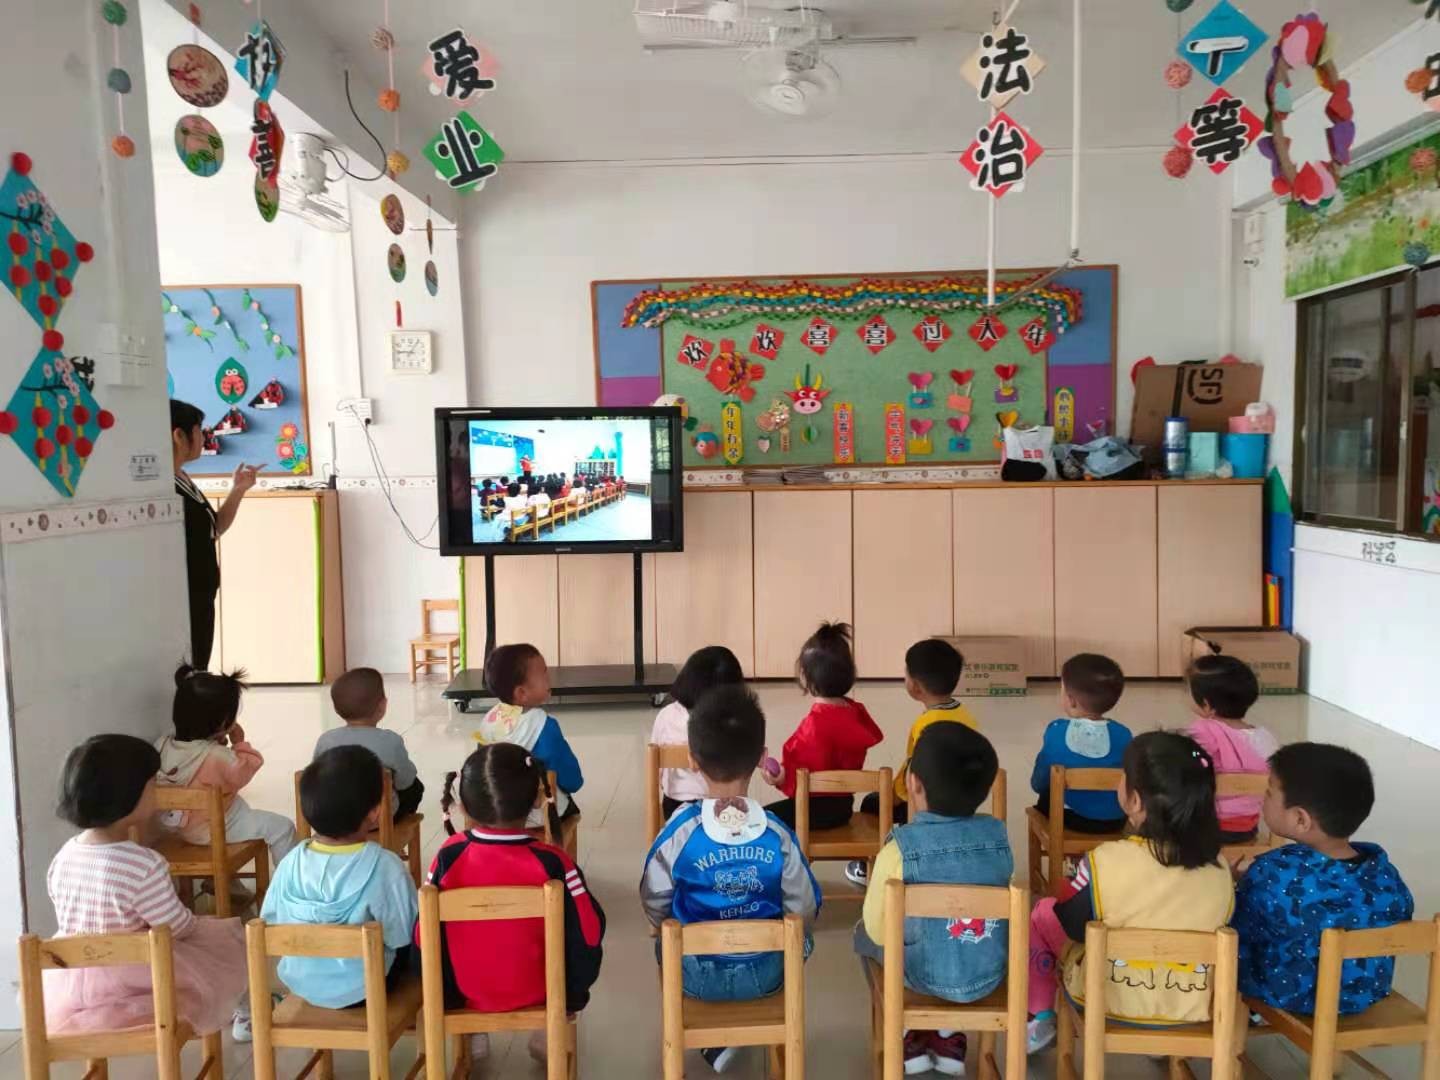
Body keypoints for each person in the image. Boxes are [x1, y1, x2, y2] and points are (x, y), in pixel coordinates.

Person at [641, 685, 821, 1074]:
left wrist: (665, 925)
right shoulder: (777, 834)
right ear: (760, 758)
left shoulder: (679, 833)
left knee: (662, 938)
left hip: (693, 975)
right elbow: (804, 906)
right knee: (801, 936)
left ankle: (709, 1034)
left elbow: (653, 897)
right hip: (767, 974)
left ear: (692, 760)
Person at [1027, 731, 1234, 1050]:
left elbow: (1072, 926)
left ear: (1135, 801)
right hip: (1191, 1004)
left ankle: (1040, 1016)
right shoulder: (1219, 868)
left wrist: (1062, 893)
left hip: (1107, 997)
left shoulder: (1105, 861)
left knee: (1042, 913)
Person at [45, 734, 249, 1038]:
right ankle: (243, 1013)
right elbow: (176, 927)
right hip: (140, 985)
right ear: (127, 796)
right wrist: (198, 923)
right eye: (153, 784)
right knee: (227, 940)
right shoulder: (143, 864)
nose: (158, 791)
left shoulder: (64, 856)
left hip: (76, 989)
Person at [428, 743, 605, 1065]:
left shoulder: (447, 856)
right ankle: (551, 1023)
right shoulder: (553, 861)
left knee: (428, 940)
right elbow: (590, 932)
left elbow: (421, 936)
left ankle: (471, 1028)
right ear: (538, 799)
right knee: (584, 931)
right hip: (541, 989)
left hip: (463, 990)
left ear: (462, 805)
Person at [853, 724, 1012, 1076]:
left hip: (919, 977)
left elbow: (878, 930)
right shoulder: (999, 839)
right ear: (985, 789)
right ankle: (947, 1036)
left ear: (913, 784)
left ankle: (906, 1030)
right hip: (987, 974)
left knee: (863, 933)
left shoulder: (900, 849)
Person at [1232, 742, 1413, 1016]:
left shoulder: (1271, 871)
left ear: (1300, 819)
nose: (1262, 799)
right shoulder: (1385, 873)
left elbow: (1240, 930)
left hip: (1291, 996)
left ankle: (1234, 1019)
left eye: (1269, 793)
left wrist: (1234, 885)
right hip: (1364, 995)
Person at [261, 746, 419, 1009]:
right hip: (367, 988)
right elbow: (404, 933)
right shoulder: (385, 865)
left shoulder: (290, 861)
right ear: (375, 812)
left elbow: (271, 920)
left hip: (302, 983)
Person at [849, 639, 975, 887]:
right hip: (960, 800)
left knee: (872, 803)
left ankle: (869, 866)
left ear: (915, 687)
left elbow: (914, 771)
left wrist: (895, 795)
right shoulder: (965, 715)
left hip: (925, 803)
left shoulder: (925, 725)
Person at [155, 664, 297, 870]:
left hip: (180, 828)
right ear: (222, 722)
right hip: (215, 827)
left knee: (240, 810)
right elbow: (244, 772)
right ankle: (291, 883)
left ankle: (225, 884)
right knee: (282, 827)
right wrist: (239, 743)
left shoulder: (162, 745)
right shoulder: (217, 757)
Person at [761, 622, 883, 831]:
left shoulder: (815, 725)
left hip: (813, 809)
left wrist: (778, 777)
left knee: (760, 819)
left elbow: (801, 777)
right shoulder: (856, 712)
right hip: (844, 806)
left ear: (806, 678)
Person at [171, 398, 259, 669]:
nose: (204, 438)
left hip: (201, 594)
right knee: (188, 669)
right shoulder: (164, 487)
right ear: (179, 436)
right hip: (182, 599)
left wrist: (238, 489)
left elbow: (214, 528)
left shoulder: (183, 478)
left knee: (199, 664)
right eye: (199, 431)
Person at [473, 644, 583, 830]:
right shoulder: (543, 725)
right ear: (521, 693)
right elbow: (571, 779)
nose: (549, 678)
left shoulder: (489, 720)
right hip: (534, 815)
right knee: (568, 805)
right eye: (544, 674)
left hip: (492, 812)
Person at [1029, 653, 1132, 832]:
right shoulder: (1124, 734)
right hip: (1115, 821)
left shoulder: (1056, 731)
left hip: (1069, 818)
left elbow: (1039, 783)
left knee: (1047, 794)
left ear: (1071, 700)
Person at [1185, 654, 1278, 842]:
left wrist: (1188, 750)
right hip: (1246, 828)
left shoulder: (1202, 732)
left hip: (1202, 828)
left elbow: (1190, 763)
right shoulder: (1266, 738)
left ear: (1206, 705)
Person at [313, 667, 423, 820]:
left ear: (336, 710)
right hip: (377, 819)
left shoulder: (326, 740)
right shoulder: (390, 741)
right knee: (416, 786)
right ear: (382, 706)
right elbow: (405, 782)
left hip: (334, 818)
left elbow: (316, 780)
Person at [651, 645, 746, 821]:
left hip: (675, 809)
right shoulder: (734, 722)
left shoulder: (665, 716)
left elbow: (658, 771)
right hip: (723, 809)